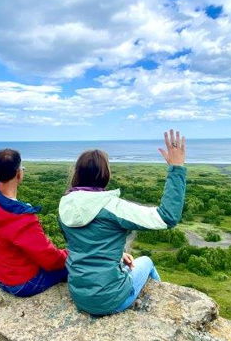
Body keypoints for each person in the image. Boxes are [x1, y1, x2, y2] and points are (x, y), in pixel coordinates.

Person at [58, 130, 186, 315]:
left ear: (77, 173)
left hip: (79, 295)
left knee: (128, 263)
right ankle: (159, 310)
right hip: (111, 300)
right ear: (105, 175)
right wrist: (177, 168)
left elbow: (84, 244)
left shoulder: (65, 205)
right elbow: (167, 217)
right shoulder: (113, 207)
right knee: (146, 262)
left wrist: (117, 256)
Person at [0, 103, 68, 297]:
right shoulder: (21, 219)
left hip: (3, 279)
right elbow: (51, 260)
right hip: (25, 284)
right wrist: (69, 254)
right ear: (19, 174)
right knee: (78, 263)